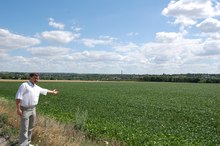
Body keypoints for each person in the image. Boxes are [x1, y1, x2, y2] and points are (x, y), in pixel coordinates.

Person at [15, 73, 59, 146]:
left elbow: (43, 90)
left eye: (38, 78)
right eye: (35, 78)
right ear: (30, 77)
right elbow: (18, 98)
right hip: (25, 109)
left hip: (33, 109)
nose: (37, 80)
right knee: (24, 128)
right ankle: (22, 144)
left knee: (30, 127)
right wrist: (18, 109)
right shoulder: (24, 85)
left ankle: (28, 143)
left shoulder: (36, 87)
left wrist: (53, 92)